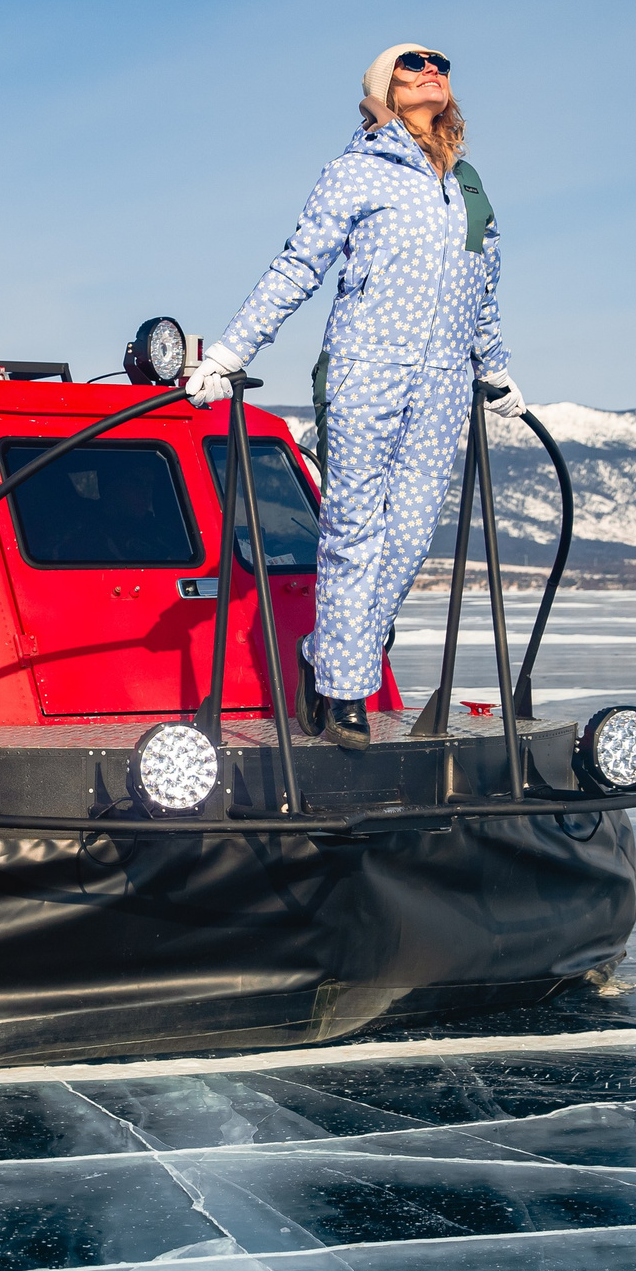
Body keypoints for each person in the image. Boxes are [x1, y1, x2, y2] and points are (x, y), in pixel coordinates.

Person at [185, 43, 521, 751]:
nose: (433, 72)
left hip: (442, 384)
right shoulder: (355, 173)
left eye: (441, 66)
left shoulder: (467, 184)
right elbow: (297, 266)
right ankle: (341, 693)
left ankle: (327, 651)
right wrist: (230, 352)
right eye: (413, 66)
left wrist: (493, 368)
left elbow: (482, 290)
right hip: (365, 368)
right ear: (386, 91)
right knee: (352, 536)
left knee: (406, 541)